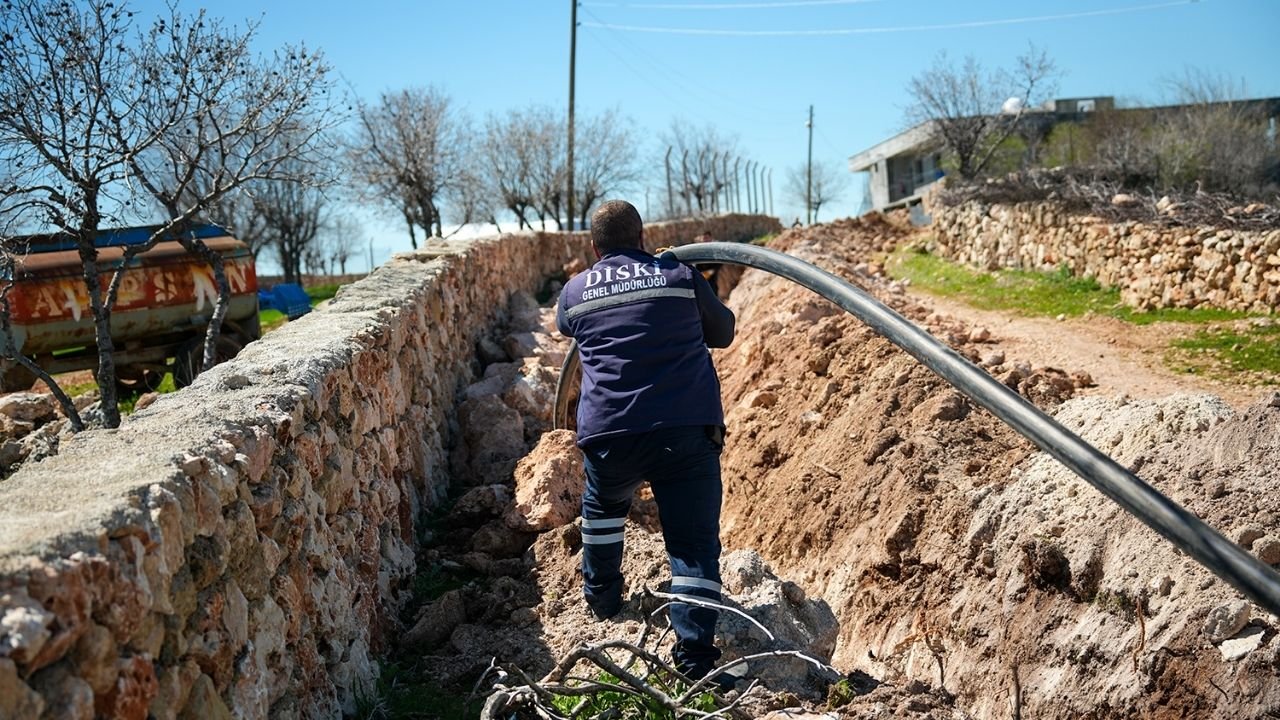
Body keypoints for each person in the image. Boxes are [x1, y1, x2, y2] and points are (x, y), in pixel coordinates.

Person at [556, 199, 736, 683]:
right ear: (643, 238)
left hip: (610, 433)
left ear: (594, 248)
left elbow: (566, 327)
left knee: (603, 508)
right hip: (684, 431)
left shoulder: (574, 292)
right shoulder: (679, 277)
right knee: (693, 544)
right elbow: (723, 332)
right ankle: (695, 659)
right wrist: (677, 271)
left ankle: (603, 599)